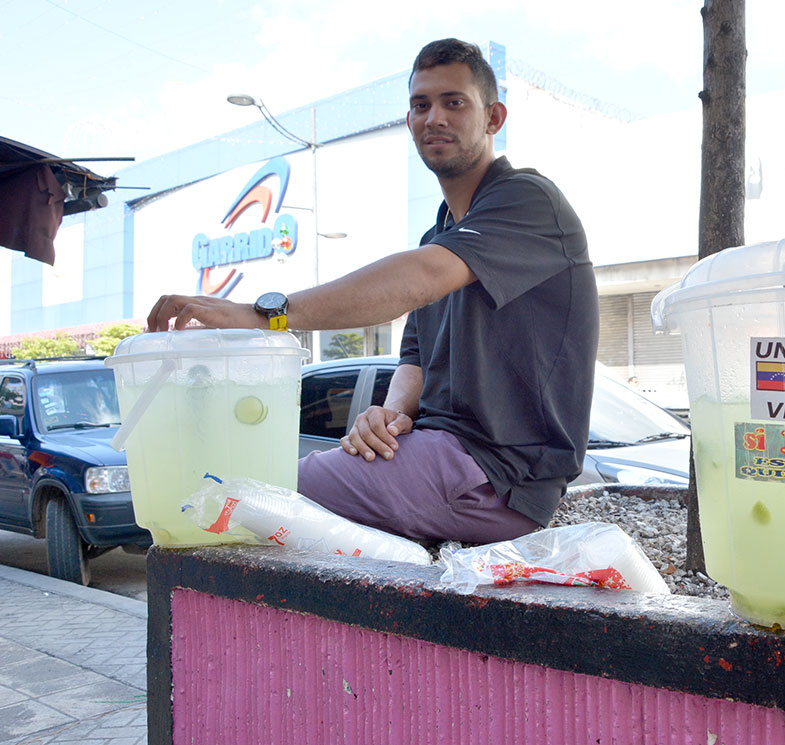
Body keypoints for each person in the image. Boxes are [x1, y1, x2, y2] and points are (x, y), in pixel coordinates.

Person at [148, 38, 600, 543]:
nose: (434, 118)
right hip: (442, 455)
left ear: (494, 118)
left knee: (257, 497)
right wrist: (388, 413)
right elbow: (415, 357)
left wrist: (264, 314)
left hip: (496, 474)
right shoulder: (440, 236)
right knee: (254, 492)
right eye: (420, 105)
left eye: (455, 102)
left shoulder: (527, 201)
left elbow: (420, 277)